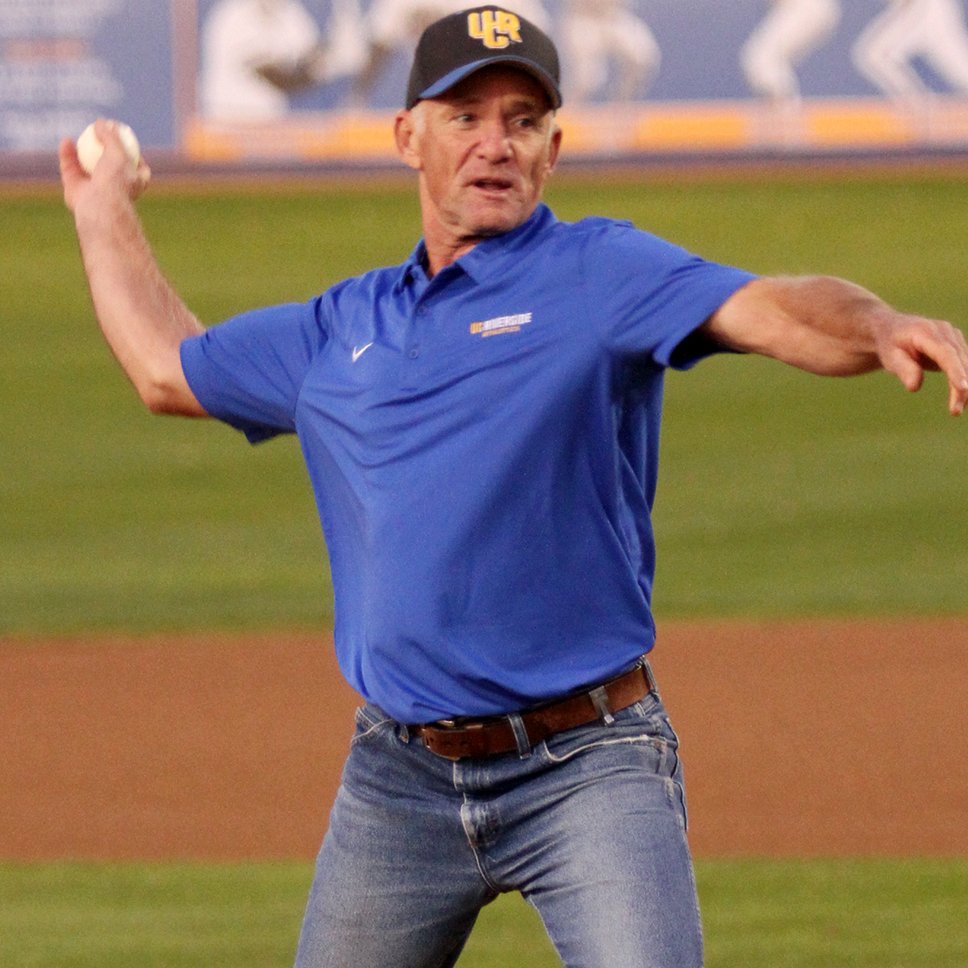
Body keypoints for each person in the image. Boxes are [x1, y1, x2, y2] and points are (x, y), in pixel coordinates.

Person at [59, 6, 968, 967]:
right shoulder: (340, 329)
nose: (495, 144)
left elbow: (775, 308)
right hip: (397, 781)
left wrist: (874, 325)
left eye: (523, 119)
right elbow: (167, 368)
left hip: (591, 767)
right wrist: (100, 207)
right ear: (407, 135)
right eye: (465, 116)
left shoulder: (601, 273)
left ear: (554, 146)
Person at [852, 0, 968, 104]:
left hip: (922, 8)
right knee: (875, 56)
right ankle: (919, 108)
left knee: (877, 55)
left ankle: (919, 108)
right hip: (925, 9)